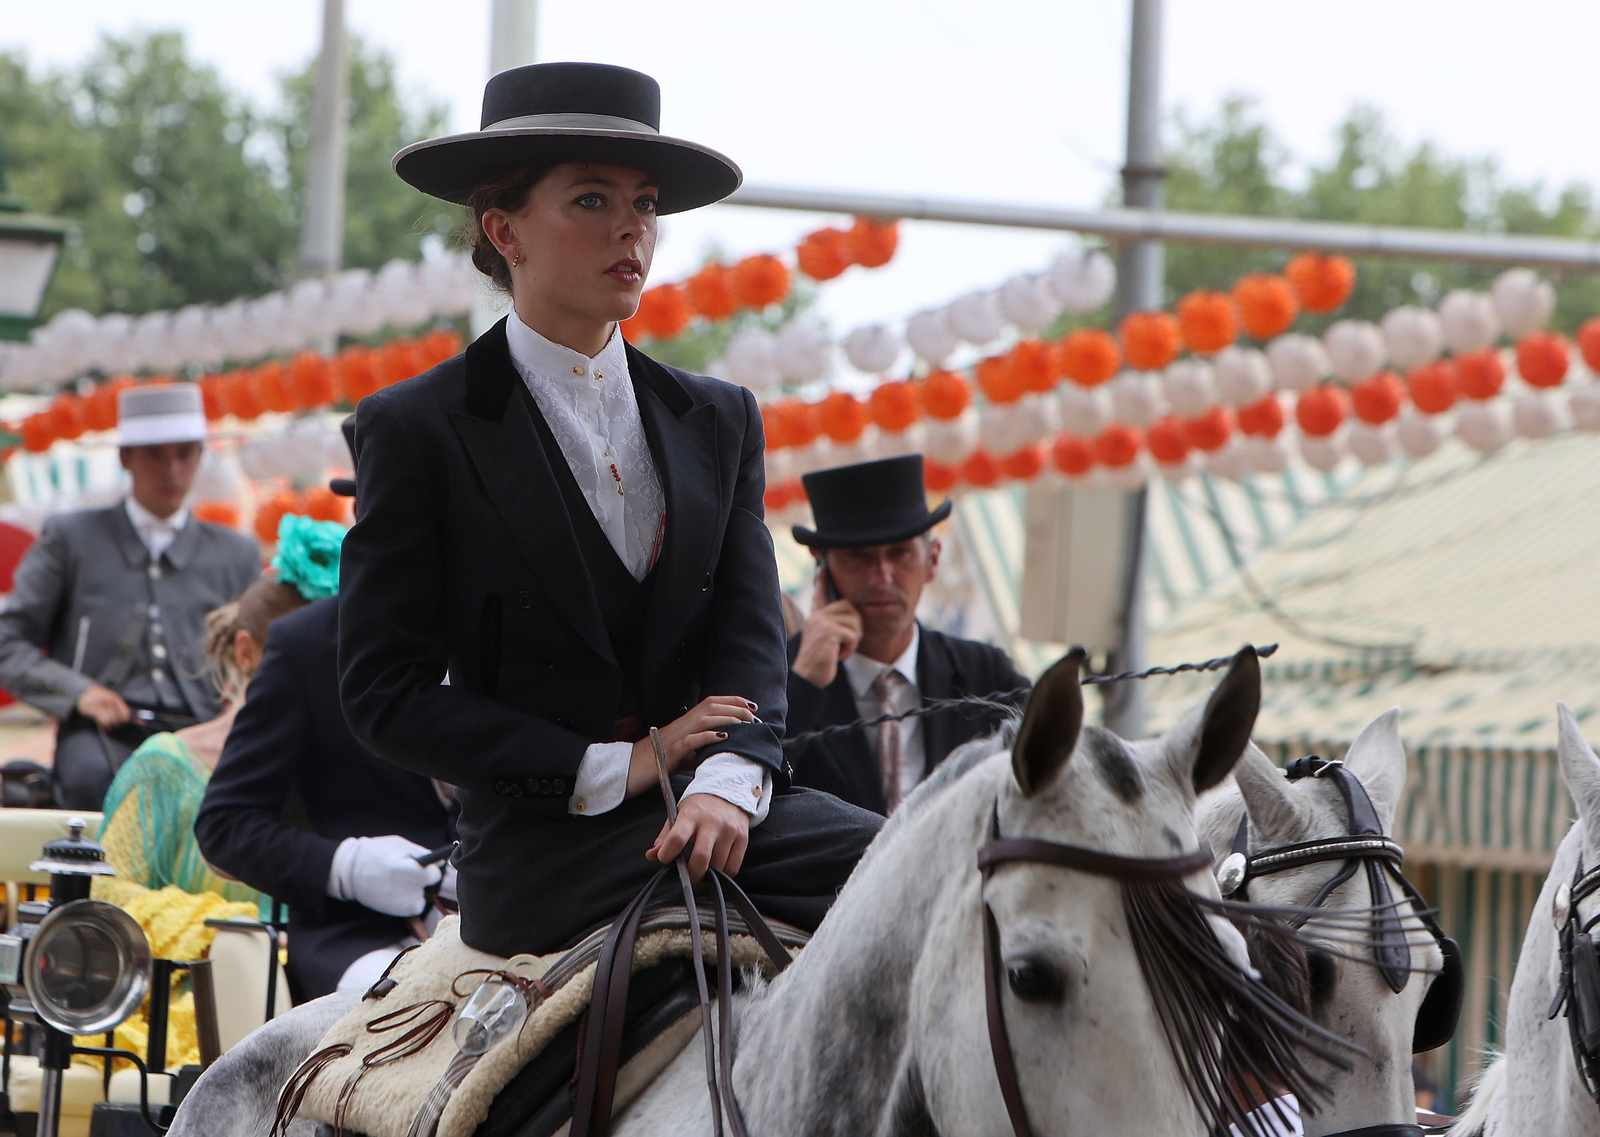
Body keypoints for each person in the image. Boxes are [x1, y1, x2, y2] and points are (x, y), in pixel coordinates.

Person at [338, 61, 882, 960]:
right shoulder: (416, 427)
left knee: (930, 866)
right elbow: (381, 692)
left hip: (723, 811)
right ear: (503, 229)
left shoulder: (719, 416)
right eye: (592, 200)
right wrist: (615, 765)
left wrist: (728, 777)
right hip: (547, 847)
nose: (632, 226)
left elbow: (748, 636)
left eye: (646, 203)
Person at [196, 451, 455, 1001]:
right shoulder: (307, 645)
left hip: (524, 914)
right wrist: (345, 866)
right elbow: (225, 825)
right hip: (363, 936)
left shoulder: (535, 625)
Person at [0, 385, 260, 809]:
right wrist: (78, 692)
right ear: (125, 457)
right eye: (155, 454)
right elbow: (7, 641)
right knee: (92, 789)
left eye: (185, 453)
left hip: (204, 728)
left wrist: (238, 715)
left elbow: (264, 659)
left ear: (200, 456)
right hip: (99, 733)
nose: (173, 470)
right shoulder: (72, 538)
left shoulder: (236, 552)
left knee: (237, 801)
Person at [783, 455, 1031, 815]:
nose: (882, 577)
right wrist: (804, 682)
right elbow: (750, 784)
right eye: (858, 557)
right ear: (821, 568)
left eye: (899, 553)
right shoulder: (780, 677)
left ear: (933, 560)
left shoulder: (984, 672)